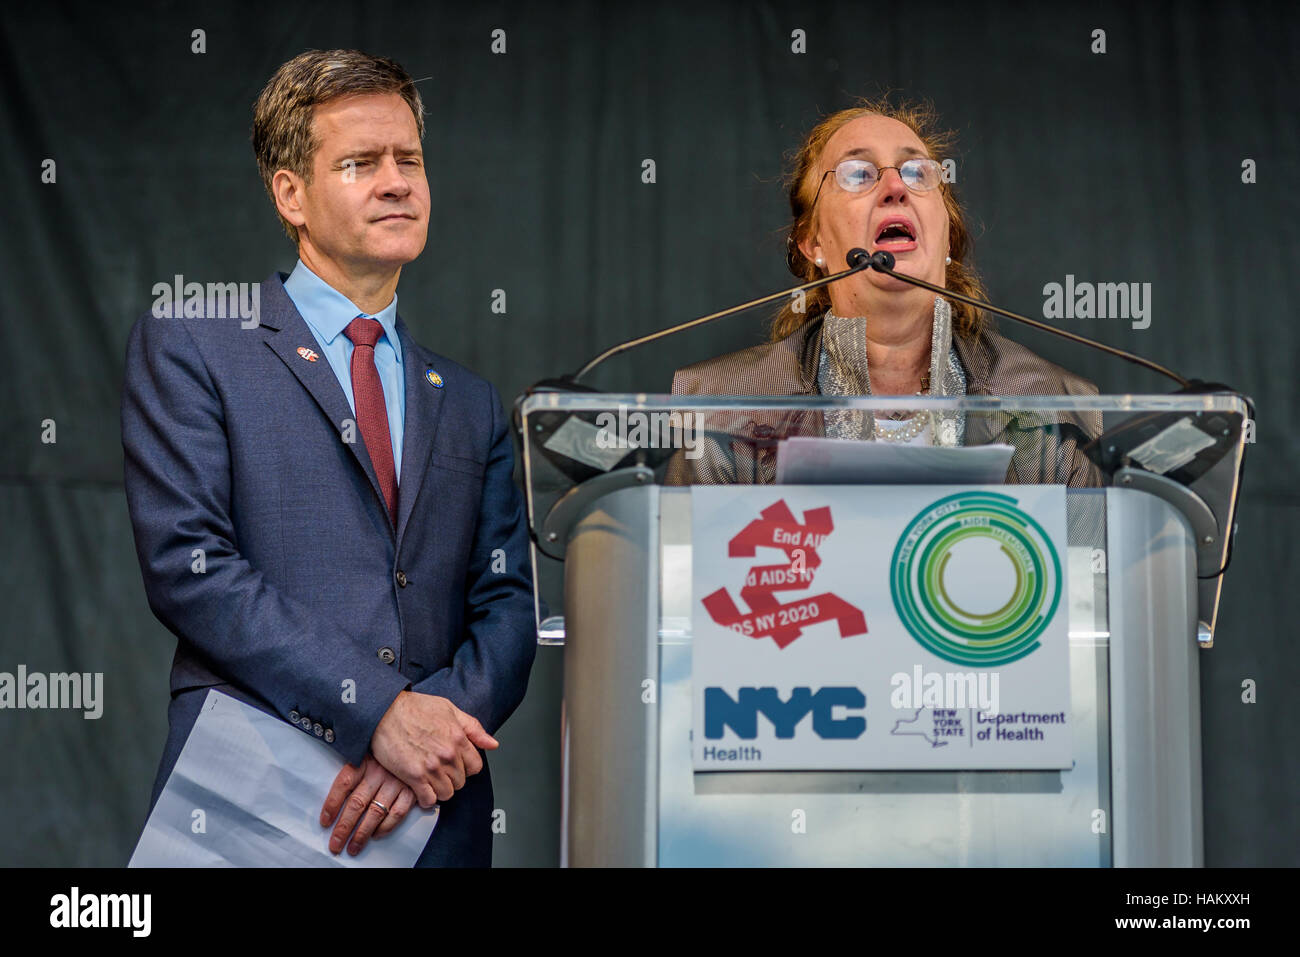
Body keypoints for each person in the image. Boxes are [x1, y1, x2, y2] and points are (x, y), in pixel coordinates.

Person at [121, 49, 536, 866]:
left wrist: (424, 732)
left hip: (432, 815)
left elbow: (508, 609)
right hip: (254, 803)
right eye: (360, 163)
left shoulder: (473, 399)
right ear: (291, 194)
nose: (396, 181)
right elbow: (191, 565)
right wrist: (378, 711)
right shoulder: (194, 344)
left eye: (409, 159)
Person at [667, 98, 1101, 486]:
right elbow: (691, 573)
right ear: (813, 242)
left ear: (948, 237)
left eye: (917, 172)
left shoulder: (1057, 407)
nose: (896, 188)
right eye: (859, 174)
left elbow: (1090, 573)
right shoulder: (720, 410)